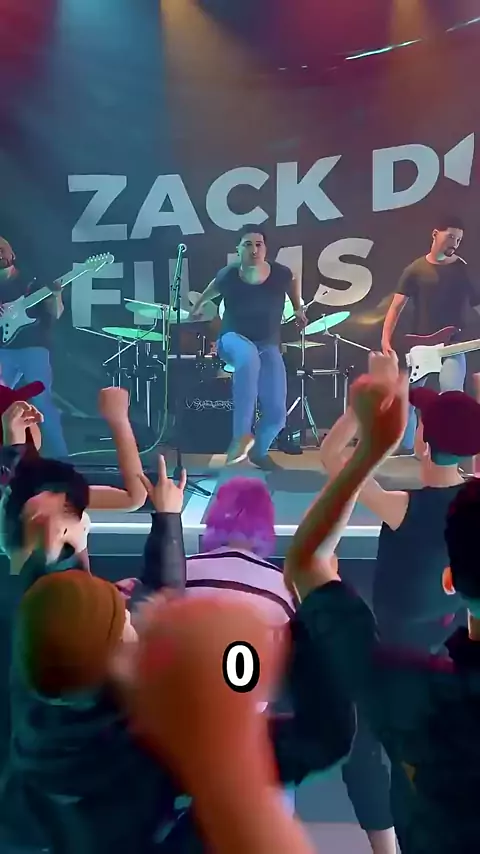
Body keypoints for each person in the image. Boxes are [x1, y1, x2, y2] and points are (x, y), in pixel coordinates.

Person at [285, 375, 480, 853]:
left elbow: (333, 457)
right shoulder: (471, 504)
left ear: (421, 442)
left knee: (368, 753)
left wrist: (363, 411)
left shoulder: (402, 508)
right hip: (449, 641)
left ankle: (385, 848)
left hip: (394, 653)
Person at [189, 226, 307, 469]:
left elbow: (294, 279)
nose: (254, 250)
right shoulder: (228, 275)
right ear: (238, 249)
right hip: (232, 339)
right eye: (248, 244)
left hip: (267, 344)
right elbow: (213, 287)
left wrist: (298, 308)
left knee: (277, 416)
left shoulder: (280, 274)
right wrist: (196, 307)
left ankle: (259, 452)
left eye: (258, 244)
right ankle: (240, 436)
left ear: (265, 248)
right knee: (248, 356)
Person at [381, 214, 480, 452]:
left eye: (458, 239)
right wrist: (385, 339)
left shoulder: (461, 269)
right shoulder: (415, 269)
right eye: (451, 237)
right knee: (407, 399)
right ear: (435, 234)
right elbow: (395, 307)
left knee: (452, 397)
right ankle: (404, 447)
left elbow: (477, 304)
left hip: (452, 344)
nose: (454, 243)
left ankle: (448, 448)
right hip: (420, 346)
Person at [0, 235, 68, 458]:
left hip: (34, 349)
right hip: (3, 351)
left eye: (2, 249)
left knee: (42, 402)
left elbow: (56, 313)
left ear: (12, 254)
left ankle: (61, 459)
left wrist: (56, 294)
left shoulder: (32, 281)